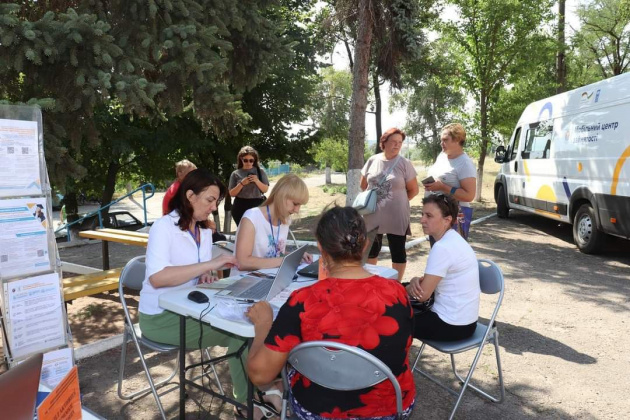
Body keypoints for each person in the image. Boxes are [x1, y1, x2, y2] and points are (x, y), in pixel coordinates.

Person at [245, 206, 416, 419]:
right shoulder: (397, 292)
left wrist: (263, 325)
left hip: (317, 410)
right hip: (389, 408)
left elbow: (260, 375)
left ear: (321, 249)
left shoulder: (303, 301)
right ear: (364, 245)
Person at [138, 168, 248, 406]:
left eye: (216, 202)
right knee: (240, 334)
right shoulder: (163, 227)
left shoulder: (204, 230)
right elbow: (157, 278)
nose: (213, 207)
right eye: (210, 200)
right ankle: (248, 405)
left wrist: (204, 275)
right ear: (190, 196)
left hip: (186, 308)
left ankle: (255, 397)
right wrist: (209, 265)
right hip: (159, 317)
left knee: (246, 324)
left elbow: (196, 271)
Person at [406, 193, 480, 341]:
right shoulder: (454, 238)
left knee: (388, 318)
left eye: (429, 216)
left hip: (450, 325)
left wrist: (408, 287)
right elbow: (430, 285)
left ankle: (386, 363)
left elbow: (422, 296)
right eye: (422, 214)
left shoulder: (442, 247)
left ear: (447, 220)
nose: (422, 220)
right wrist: (414, 282)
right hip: (465, 322)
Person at [360, 127, 419, 281]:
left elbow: (413, 190)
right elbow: (363, 185)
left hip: (396, 216)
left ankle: (396, 284)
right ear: (383, 142)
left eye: (400, 142)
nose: (397, 145)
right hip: (373, 215)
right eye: (393, 142)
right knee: (371, 251)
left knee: (398, 252)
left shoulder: (405, 163)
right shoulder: (373, 160)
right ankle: (371, 281)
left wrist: (396, 201)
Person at [231, 173, 311, 276]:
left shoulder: (285, 219)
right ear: (281, 195)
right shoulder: (252, 217)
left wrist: (295, 256)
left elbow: (274, 253)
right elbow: (242, 262)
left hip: (269, 279)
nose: (297, 210)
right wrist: (284, 261)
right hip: (243, 283)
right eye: (295, 204)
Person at [424, 123, 476, 240]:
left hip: (453, 218)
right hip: (436, 215)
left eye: (445, 140)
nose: (441, 143)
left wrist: (442, 187)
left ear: (457, 140)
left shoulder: (465, 163)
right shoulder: (442, 156)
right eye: (441, 140)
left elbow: (469, 196)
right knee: (437, 251)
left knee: (450, 255)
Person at [228, 146, 270, 226]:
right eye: (245, 160)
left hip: (257, 203)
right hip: (240, 205)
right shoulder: (235, 173)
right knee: (243, 230)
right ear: (241, 159)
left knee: (258, 229)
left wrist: (256, 181)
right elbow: (231, 193)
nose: (248, 163)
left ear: (254, 160)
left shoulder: (260, 171)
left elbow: (265, 189)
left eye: (251, 160)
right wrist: (242, 184)